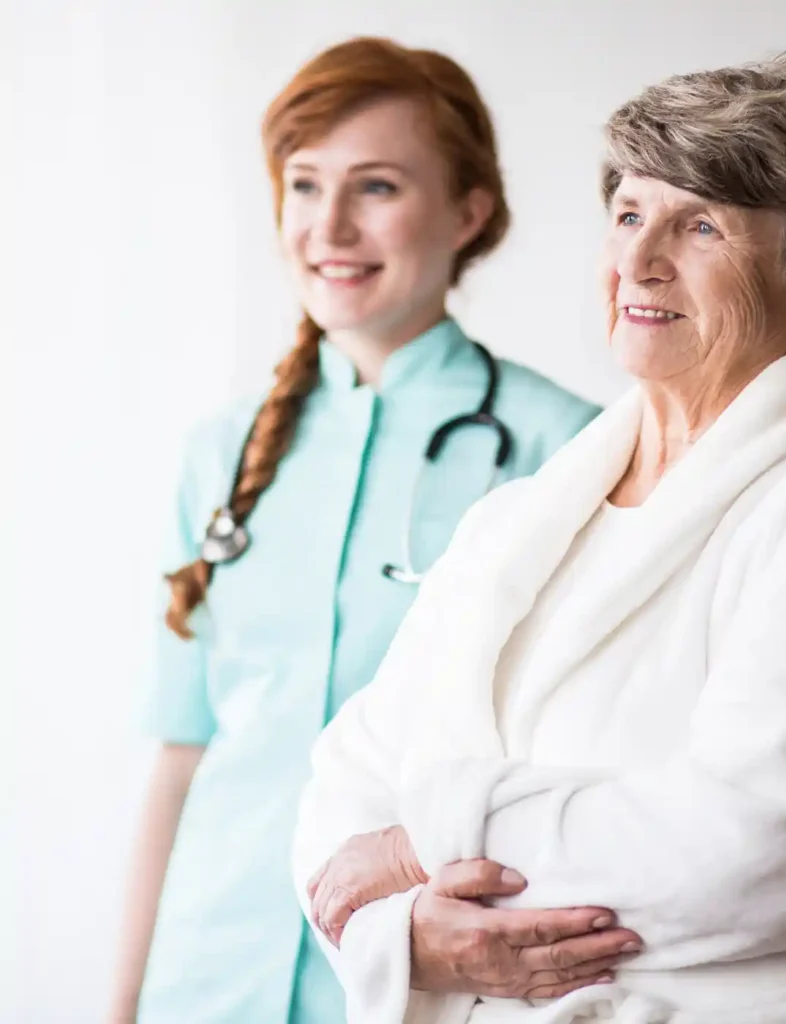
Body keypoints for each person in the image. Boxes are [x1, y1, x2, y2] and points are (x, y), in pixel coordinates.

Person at [292, 52, 786, 1024]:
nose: (638, 259)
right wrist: (406, 934)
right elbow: (346, 795)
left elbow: (770, 852)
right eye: (629, 213)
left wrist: (431, 840)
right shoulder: (518, 521)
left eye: (700, 224)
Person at [106, 37, 614, 1024]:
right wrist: (123, 1002)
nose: (328, 225)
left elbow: (585, 765)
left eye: (375, 186)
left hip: (426, 986)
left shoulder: (571, 452)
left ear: (471, 211)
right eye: (303, 185)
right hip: (207, 980)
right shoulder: (223, 453)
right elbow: (182, 757)